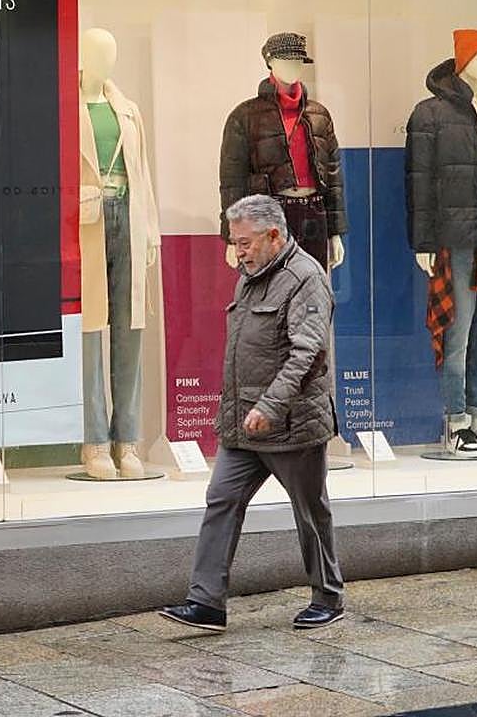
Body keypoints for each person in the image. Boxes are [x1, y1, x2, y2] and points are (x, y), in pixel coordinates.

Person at [160, 195, 345, 633]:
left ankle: (328, 596)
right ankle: (206, 602)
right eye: (235, 242)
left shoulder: (306, 279)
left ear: (274, 235)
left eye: (244, 243)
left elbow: (307, 353)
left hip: (290, 422)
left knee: (309, 510)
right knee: (221, 499)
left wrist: (270, 405)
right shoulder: (248, 278)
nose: (238, 252)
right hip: (243, 424)